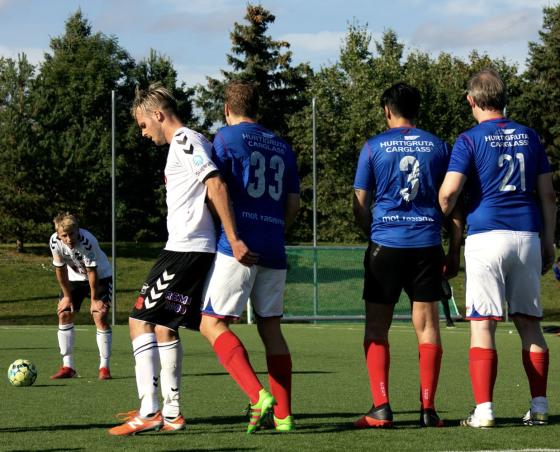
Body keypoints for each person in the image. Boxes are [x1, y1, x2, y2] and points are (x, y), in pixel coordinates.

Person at [109, 83, 250, 436]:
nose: (143, 133)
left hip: (185, 249)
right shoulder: (185, 143)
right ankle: (170, 413)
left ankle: (150, 411)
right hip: (188, 247)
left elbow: (215, 184)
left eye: (143, 125)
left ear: (158, 115)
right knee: (162, 326)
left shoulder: (186, 140)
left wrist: (232, 238)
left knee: (138, 320)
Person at [439, 69, 556, 428]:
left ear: (471, 100)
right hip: (526, 236)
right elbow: (549, 195)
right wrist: (549, 241)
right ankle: (539, 406)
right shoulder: (531, 137)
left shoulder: (469, 139)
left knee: (482, 325)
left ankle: (485, 411)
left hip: (486, 236)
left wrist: (437, 224)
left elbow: (448, 193)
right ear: (504, 99)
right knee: (530, 325)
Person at [352, 82, 462, 428]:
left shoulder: (373, 147)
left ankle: (381, 408)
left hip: (385, 244)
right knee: (428, 327)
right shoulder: (439, 147)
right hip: (426, 245)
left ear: (387, 111)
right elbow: (453, 201)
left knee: (376, 327)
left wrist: (376, 234)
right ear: (418, 110)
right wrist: (453, 246)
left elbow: (359, 203)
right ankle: (428, 410)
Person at [199, 81, 300, 434]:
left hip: (237, 247)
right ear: (258, 109)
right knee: (271, 327)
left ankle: (258, 396)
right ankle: (285, 417)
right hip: (274, 245)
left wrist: (234, 235)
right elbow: (293, 204)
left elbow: (217, 188)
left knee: (211, 323)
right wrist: (273, 229)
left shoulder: (225, 139)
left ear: (227, 108)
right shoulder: (282, 146)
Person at [49, 212, 113, 380]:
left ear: (77, 230)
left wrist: (94, 300)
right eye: (65, 235)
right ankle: (68, 366)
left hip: (101, 277)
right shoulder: (55, 242)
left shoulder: (87, 241)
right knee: (64, 314)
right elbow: (60, 269)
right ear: (58, 234)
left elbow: (92, 271)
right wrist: (67, 296)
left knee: (100, 316)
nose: (69, 239)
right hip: (74, 279)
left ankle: (104, 367)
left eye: (72, 234)